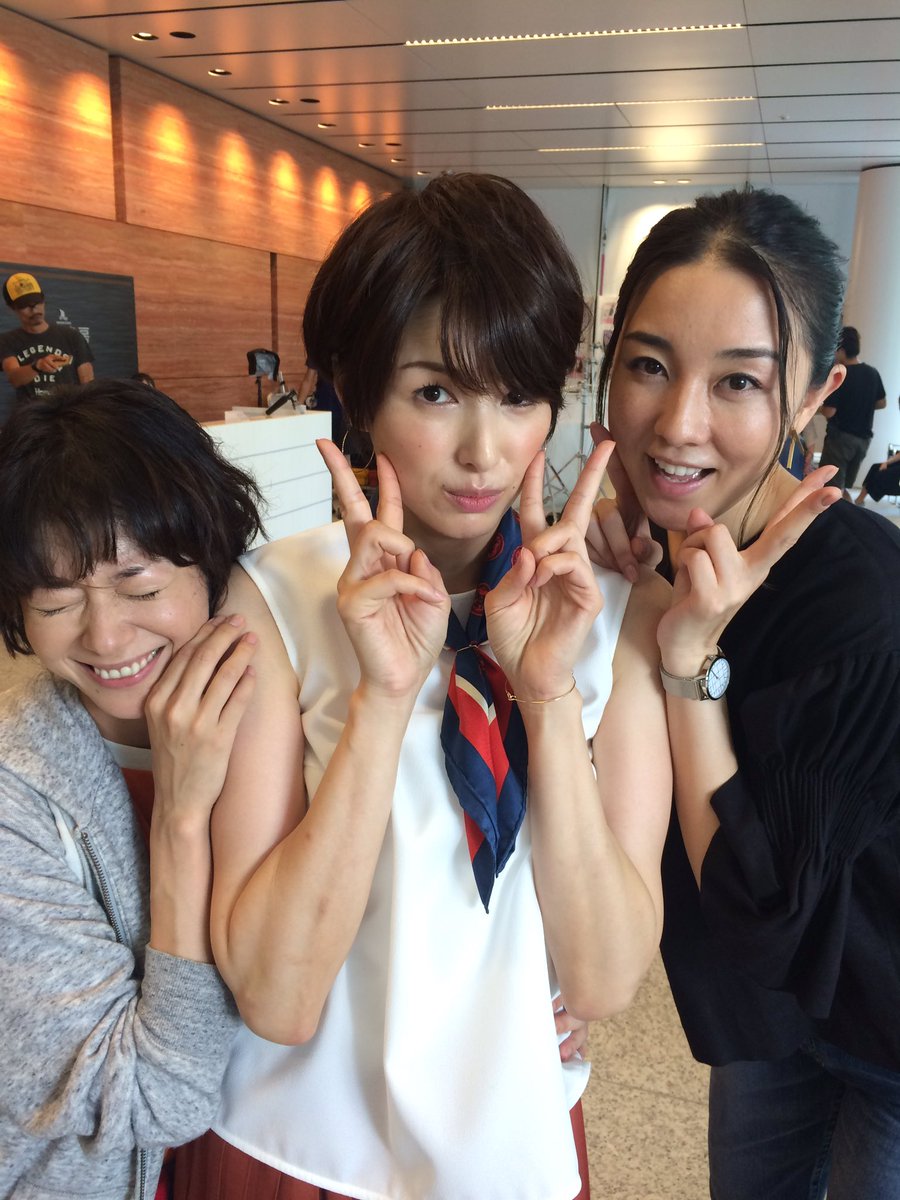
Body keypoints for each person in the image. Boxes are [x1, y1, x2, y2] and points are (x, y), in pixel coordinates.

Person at [175, 173, 673, 1200]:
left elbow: (603, 980)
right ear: (360, 395)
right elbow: (274, 997)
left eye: (518, 396)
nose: (484, 453)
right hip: (298, 1145)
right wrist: (384, 698)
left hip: (511, 1143)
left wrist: (546, 694)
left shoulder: (611, 616)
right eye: (435, 393)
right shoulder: (276, 598)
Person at [589, 188, 900, 1199]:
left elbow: (762, 907)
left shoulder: (862, 602)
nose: (678, 425)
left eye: (738, 381)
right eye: (648, 365)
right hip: (771, 1010)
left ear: (814, 395)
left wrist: (686, 662)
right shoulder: (641, 549)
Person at [0, 379, 265, 1199]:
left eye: (140, 588)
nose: (107, 638)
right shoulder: (16, 792)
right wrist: (181, 816)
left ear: (214, 563)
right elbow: (152, 1097)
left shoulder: (281, 705)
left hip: (260, 1152)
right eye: (56, 602)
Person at [1, 271, 94, 405]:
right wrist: (37, 366)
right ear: (11, 308)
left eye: (37, 301)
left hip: (69, 413)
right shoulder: (7, 340)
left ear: (43, 300)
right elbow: (14, 378)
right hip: (32, 415)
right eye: (24, 304)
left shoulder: (72, 336)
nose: (34, 308)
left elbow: (88, 384)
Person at [818, 324, 886, 496]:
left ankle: (840, 513)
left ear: (841, 350)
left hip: (840, 440)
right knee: (844, 487)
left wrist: (817, 407)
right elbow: (882, 403)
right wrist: (862, 404)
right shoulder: (872, 373)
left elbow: (829, 411)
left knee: (831, 489)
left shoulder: (841, 374)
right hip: (862, 441)